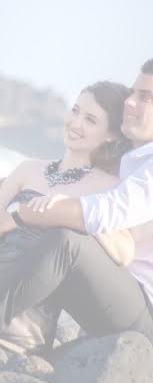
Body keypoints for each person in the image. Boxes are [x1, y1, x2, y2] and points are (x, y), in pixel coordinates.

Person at [2, 58, 153, 365]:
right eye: (75, 111)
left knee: (66, 240)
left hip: (146, 317)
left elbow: (117, 238)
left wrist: (30, 213)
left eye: (146, 97)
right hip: (104, 290)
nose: (132, 103)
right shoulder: (132, 163)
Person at [0, 81, 133, 353]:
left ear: (111, 136)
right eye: (75, 111)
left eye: (90, 119)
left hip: (24, 320)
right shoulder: (28, 169)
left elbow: (124, 252)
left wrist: (73, 210)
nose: (75, 122)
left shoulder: (107, 187)